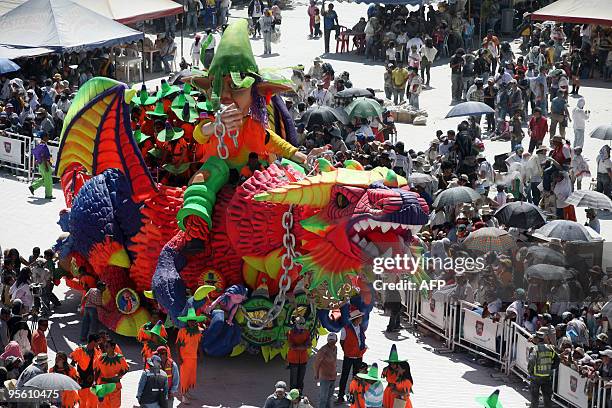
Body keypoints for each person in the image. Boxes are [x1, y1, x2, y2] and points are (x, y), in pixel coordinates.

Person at [337, 310, 367, 404]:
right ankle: (340, 396)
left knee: (356, 377)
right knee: (344, 376)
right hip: (349, 356)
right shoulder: (345, 329)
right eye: (360, 317)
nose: (362, 319)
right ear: (356, 319)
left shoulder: (360, 327)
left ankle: (354, 396)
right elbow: (342, 341)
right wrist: (347, 351)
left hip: (358, 356)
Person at [176, 308, 204, 403]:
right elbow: (177, 345)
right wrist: (179, 357)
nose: (191, 322)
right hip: (184, 358)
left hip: (193, 357)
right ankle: (183, 396)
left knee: (190, 376)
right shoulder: (182, 331)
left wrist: (201, 355)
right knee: (184, 376)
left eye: (193, 320)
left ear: (195, 321)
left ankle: (187, 392)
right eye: (190, 321)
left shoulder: (198, 331)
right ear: (187, 322)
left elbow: (199, 344)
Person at [528, 329, 559, 408]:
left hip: (536, 377)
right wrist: (551, 368)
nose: (534, 339)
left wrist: (530, 372)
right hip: (547, 377)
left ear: (538, 339)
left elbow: (531, 361)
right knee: (547, 399)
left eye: (535, 338)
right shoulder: (550, 348)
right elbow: (557, 359)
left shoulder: (535, 349)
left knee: (535, 399)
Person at [94, 340, 129, 408]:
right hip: (103, 386)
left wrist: (119, 376)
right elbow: (97, 371)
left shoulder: (120, 358)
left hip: (115, 386)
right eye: (105, 346)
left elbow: (126, 369)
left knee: (115, 405)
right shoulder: (100, 358)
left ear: (113, 347)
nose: (105, 348)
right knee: (102, 405)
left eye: (107, 346)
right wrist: (95, 383)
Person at [70, 334, 101, 408]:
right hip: (82, 382)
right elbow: (72, 365)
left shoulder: (98, 352)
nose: (99, 344)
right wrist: (73, 377)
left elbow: (99, 368)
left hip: (94, 382)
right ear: (93, 342)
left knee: (93, 403)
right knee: (82, 403)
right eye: (98, 342)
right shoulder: (80, 350)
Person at [287, 316, 311, 394]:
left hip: (303, 359)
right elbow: (291, 346)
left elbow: (309, 344)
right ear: (296, 323)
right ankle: (292, 396)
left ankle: (299, 395)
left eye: (303, 323)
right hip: (293, 360)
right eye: (300, 323)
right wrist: (303, 346)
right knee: (293, 381)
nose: (302, 325)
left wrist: (299, 346)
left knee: (300, 380)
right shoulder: (290, 332)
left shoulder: (307, 332)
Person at [313, 333, 337, 408]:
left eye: (333, 340)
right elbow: (316, 363)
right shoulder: (323, 350)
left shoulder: (335, 348)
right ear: (327, 340)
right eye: (330, 340)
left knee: (329, 397)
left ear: (336, 340)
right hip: (325, 377)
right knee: (323, 397)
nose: (331, 342)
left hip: (333, 376)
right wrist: (316, 374)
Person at [29, 133, 54, 199]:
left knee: (45, 179)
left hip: (40, 164)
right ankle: (48, 195)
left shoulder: (40, 145)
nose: (48, 138)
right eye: (47, 137)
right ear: (44, 137)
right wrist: (46, 165)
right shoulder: (43, 146)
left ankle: (33, 187)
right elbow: (44, 157)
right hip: (44, 164)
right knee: (48, 180)